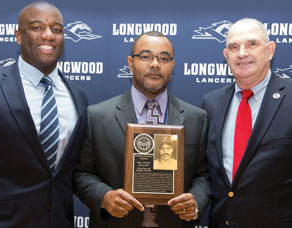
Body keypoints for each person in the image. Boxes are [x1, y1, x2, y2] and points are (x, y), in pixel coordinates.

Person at [73, 31, 209, 228]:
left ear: (172, 65)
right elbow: (80, 173)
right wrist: (103, 196)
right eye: (145, 57)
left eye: (163, 58)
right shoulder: (97, 116)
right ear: (130, 63)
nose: (155, 64)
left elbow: (203, 175)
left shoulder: (197, 118)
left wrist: (195, 201)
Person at [0, 2, 87, 227]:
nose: (48, 36)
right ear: (18, 36)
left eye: (57, 30)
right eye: (37, 28)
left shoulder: (79, 97)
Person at [202, 18, 292, 227]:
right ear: (226, 56)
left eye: (252, 44)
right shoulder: (211, 103)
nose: (242, 53)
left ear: (270, 50)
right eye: (234, 47)